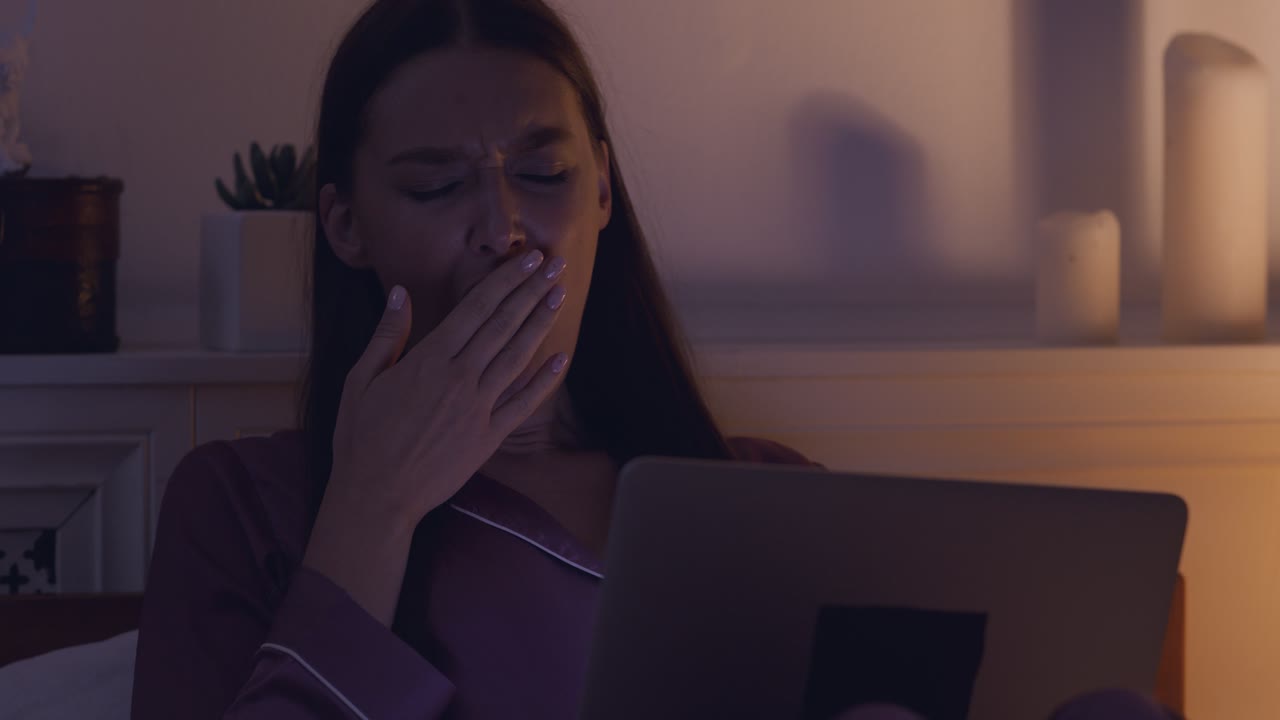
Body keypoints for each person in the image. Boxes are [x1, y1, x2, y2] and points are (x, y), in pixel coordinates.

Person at [129, 1, 1180, 718]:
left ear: (601, 193)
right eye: (435, 187)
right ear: (347, 226)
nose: (503, 228)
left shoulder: (771, 498)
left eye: (542, 171)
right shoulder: (243, 505)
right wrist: (374, 507)